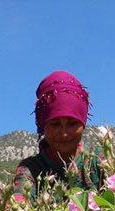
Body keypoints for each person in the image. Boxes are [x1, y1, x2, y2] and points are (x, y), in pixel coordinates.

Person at [13, 70, 103, 203]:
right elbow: (17, 208)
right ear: (43, 126)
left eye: (72, 123)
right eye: (55, 124)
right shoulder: (31, 169)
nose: (64, 133)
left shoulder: (98, 160)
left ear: (83, 124)